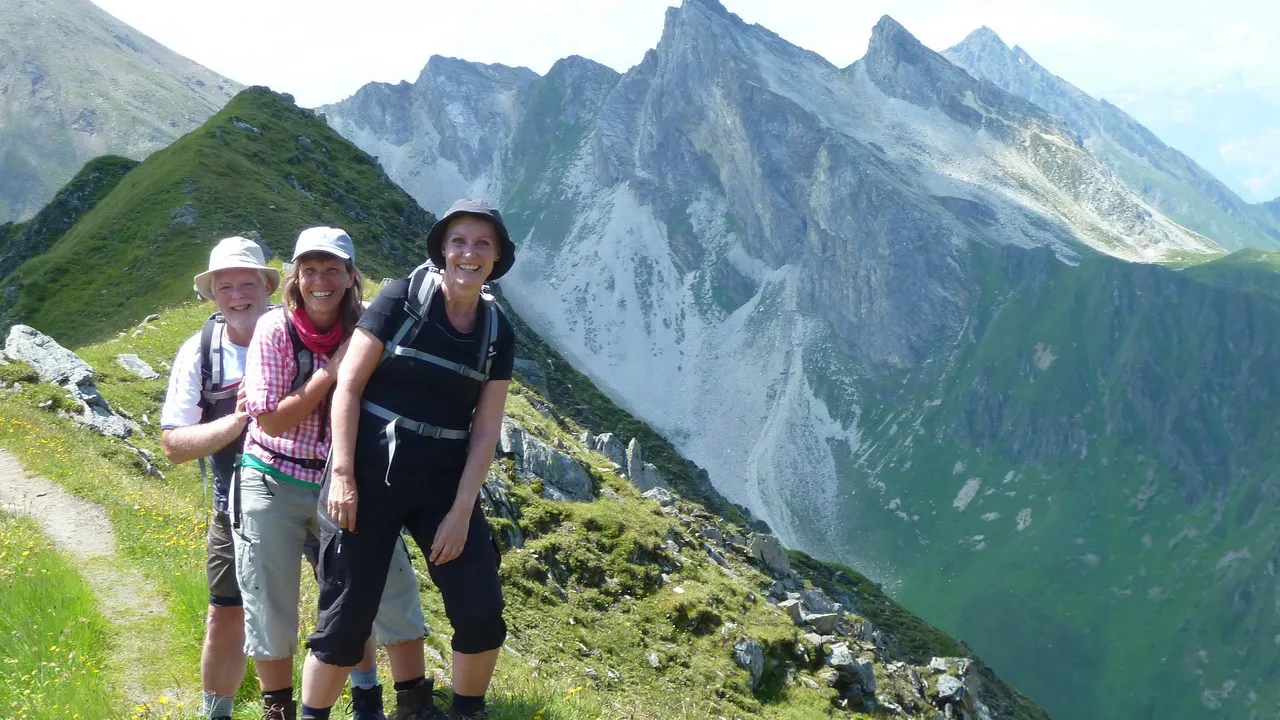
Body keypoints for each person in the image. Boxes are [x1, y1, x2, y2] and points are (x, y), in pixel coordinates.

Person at [299, 200, 516, 720]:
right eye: (458, 241)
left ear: (496, 258)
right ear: (443, 250)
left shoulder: (496, 332)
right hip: (370, 471)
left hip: (442, 481)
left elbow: (486, 428)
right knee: (347, 616)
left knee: (480, 607)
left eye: (482, 244)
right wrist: (344, 475)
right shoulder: (400, 297)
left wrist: (463, 512)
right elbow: (348, 385)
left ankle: (468, 712)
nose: (469, 253)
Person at [236, 227, 428, 720]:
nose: (321, 280)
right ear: (296, 279)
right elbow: (273, 419)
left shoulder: (371, 323)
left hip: (347, 480)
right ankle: (278, 708)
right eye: (310, 270)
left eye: (332, 269)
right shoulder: (275, 329)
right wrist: (334, 368)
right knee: (271, 596)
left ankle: (404, 702)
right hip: (273, 475)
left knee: (389, 585)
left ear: (349, 276)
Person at [161, 236, 279, 720]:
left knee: (343, 602)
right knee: (224, 614)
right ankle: (217, 715)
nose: (237, 295)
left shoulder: (299, 337)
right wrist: (237, 419)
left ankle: (363, 702)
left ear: (266, 287)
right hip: (233, 508)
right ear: (212, 295)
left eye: (247, 283)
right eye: (224, 286)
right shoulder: (200, 351)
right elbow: (173, 447)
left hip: (312, 498)